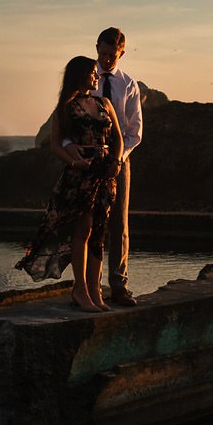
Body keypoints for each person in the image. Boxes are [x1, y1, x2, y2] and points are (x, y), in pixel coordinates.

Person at [17, 55, 124, 311]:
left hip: (105, 172)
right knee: (84, 230)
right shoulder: (66, 107)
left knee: (99, 232)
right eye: (92, 73)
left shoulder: (104, 103)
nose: (96, 76)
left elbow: (118, 139)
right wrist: (75, 163)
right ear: (79, 75)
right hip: (80, 175)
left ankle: (95, 290)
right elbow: (56, 144)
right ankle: (80, 289)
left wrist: (117, 162)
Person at [93, 26, 145, 306]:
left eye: (112, 55)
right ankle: (90, 286)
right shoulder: (86, 78)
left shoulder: (128, 84)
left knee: (119, 223)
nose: (106, 60)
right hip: (88, 158)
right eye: (102, 54)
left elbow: (134, 131)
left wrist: (117, 158)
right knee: (88, 223)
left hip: (120, 158)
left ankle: (118, 285)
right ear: (96, 48)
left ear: (121, 53)